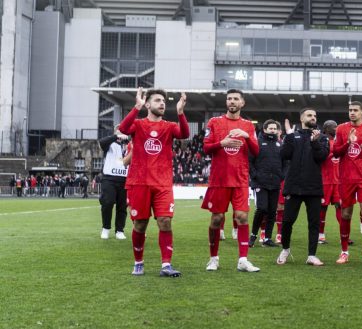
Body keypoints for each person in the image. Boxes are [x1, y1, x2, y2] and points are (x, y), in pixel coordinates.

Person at [117, 87, 188, 277]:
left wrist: (180, 113)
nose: (162, 103)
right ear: (147, 104)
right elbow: (123, 129)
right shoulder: (139, 124)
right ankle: (138, 263)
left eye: (163, 101)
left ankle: (166, 265)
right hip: (139, 182)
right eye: (157, 100)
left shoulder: (169, 126)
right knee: (140, 225)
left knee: (165, 222)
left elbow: (184, 134)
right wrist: (136, 107)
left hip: (163, 183)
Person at [201, 89, 261, 273]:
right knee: (217, 219)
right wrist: (221, 143)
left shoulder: (248, 126)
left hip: (240, 179)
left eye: (236, 99)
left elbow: (256, 152)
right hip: (219, 179)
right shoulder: (214, 122)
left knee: (242, 217)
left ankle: (243, 259)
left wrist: (246, 136)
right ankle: (213, 258)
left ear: (242, 103)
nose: (232, 101)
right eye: (229, 99)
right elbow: (205, 148)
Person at [276, 108, 331, 266]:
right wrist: (288, 136)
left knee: (314, 223)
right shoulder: (294, 135)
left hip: (313, 186)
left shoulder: (321, 138)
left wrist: (314, 143)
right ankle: (285, 249)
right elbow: (284, 155)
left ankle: (311, 255)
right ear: (301, 118)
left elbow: (322, 157)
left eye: (315, 115)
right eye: (309, 115)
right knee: (287, 221)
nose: (313, 117)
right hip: (294, 186)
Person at [332, 101, 362, 265]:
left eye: (355, 110)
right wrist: (348, 142)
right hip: (346, 178)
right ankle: (344, 252)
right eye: (350, 110)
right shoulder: (341, 129)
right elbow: (336, 153)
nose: (352, 113)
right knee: (346, 214)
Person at [250, 119, 284, 248]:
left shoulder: (280, 145)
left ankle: (268, 238)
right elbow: (250, 161)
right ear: (264, 130)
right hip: (260, 182)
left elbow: (286, 163)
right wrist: (255, 175)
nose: (273, 131)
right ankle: (253, 235)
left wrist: (282, 176)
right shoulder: (257, 143)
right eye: (270, 128)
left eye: (275, 129)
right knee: (262, 208)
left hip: (275, 182)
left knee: (271, 211)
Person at [97, 129, 131, 240]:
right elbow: (102, 142)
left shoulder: (129, 145)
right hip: (109, 178)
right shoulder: (110, 143)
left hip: (124, 179)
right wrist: (116, 136)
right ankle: (106, 228)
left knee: (122, 206)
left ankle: (119, 230)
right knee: (108, 202)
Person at [318, 120, 341, 245]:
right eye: (334, 126)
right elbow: (319, 158)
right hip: (324, 181)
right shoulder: (322, 141)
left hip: (337, 181)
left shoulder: (338, 142)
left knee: (340, 206)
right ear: (326, 129)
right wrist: (332, 153)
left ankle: (344, 235)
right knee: (323, 208)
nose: (336, 128)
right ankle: (320, 235)